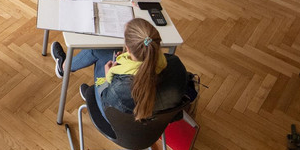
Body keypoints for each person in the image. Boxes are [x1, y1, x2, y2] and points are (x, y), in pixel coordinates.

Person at [50, 19, 193, 123]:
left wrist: (107, 76)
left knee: (98, 53)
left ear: (128, 49)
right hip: (156, 124)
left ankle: (69, 71)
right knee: (102, 53)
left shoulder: (120, 88)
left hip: (120, 124)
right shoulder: (176, 64)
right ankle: (65, 68)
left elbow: (108, 100)